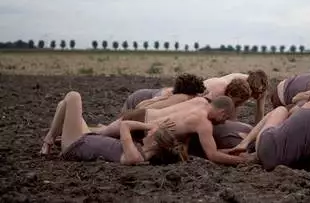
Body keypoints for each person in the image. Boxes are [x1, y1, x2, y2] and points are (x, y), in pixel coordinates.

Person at [226, 84, 310, 172]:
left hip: (264, 145)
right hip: (277, 165)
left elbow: (293, 116)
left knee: (280, 110)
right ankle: (256, 152)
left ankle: (245, 143)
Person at [96, 95, 251, 166]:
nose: (222, 123)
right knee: (92, 138)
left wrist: (230, 150)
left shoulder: (200, 100)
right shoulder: (203, 123)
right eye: (224, 119)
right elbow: (212, 155)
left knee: (97, 134)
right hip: (143, 131)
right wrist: (242, 161)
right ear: (222, 113)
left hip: (141, 115)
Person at [40, 91, 183, 165]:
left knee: (73, 96)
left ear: (156, 142)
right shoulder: (141, 151)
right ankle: (53, 138)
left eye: (152, 132)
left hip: (75, 145)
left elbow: (125, 125)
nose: (149, 131)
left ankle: (49, 139)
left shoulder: (135, 156)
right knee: (63, 106)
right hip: (86, 138)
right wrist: (159, 128)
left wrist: (150, 124)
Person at [121, 73, 206, 112]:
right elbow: (142, 108)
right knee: (120, 124)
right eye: (195, 94)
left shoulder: (179, 94)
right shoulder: (176, 97)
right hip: (136, 100)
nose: (196, 96)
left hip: (142, 99)